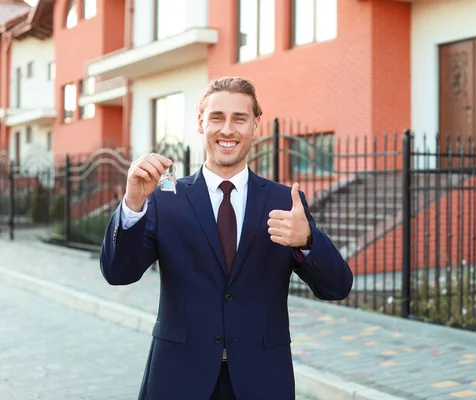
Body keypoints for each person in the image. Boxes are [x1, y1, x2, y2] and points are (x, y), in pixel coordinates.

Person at [100, 76, 353, 400]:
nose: (228, 129)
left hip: (262, 380)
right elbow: (118, 273)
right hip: (178, 378)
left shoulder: (283, 201)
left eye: (240, 118)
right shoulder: (164, 199)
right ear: (200, 122)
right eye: (217, 117)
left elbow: (338, 287)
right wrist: (133, 204)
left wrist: (307, 241)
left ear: (256, 125)